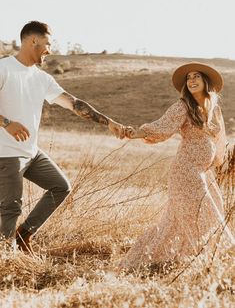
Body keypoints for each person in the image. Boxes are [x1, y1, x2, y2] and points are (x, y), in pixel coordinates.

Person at [0, 21, 125, 253]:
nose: (49, 50)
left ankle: (24, 234)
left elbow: (74, 104)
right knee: (10, 208)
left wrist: (109, 123)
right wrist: (7, 123)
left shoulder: (42, 78)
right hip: (6, 153)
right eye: (47, 44)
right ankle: (6, 256)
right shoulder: (4, 68)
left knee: (61, 187)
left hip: (31, 151)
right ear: (33, 41)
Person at [120, 62, 234, 272]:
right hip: (185, 171)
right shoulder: (182, 106)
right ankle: (192, 262)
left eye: (195, 77)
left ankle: (185, 262)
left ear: (205, 82)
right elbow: (162, 127)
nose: (191, 80)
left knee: (181, 221)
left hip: (203, 173)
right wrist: (135, 132)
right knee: (205, 216)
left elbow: (219, 141)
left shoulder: (213, 109)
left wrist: (218, 164)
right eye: (188, 78)